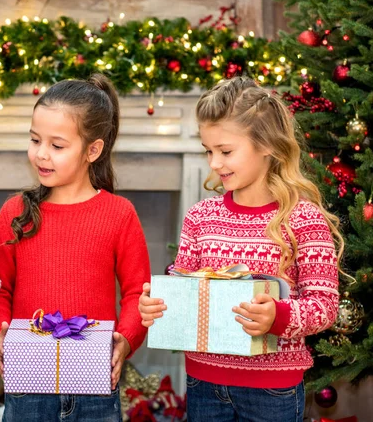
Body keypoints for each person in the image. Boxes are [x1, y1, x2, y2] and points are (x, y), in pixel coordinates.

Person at [139, 76, 343, 422]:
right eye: (209, 151)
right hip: (203, 383)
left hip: (272, 391)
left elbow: (325, 307)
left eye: (226, 151)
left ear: (266, 145)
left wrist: (277, 317)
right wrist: (158, 305)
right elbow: (182, 284)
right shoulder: (201, 217)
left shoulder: (304, 220)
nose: (215, 164)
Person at [0, 74, 151, 421]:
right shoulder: (15, 212)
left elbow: (138, 292)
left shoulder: (120, 215)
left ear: (93, 149)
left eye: (57, 146)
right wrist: (0, 336)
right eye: (34, 140)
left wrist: (125, 339)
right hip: (27, 388)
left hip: (96, 389)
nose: (41, 154)